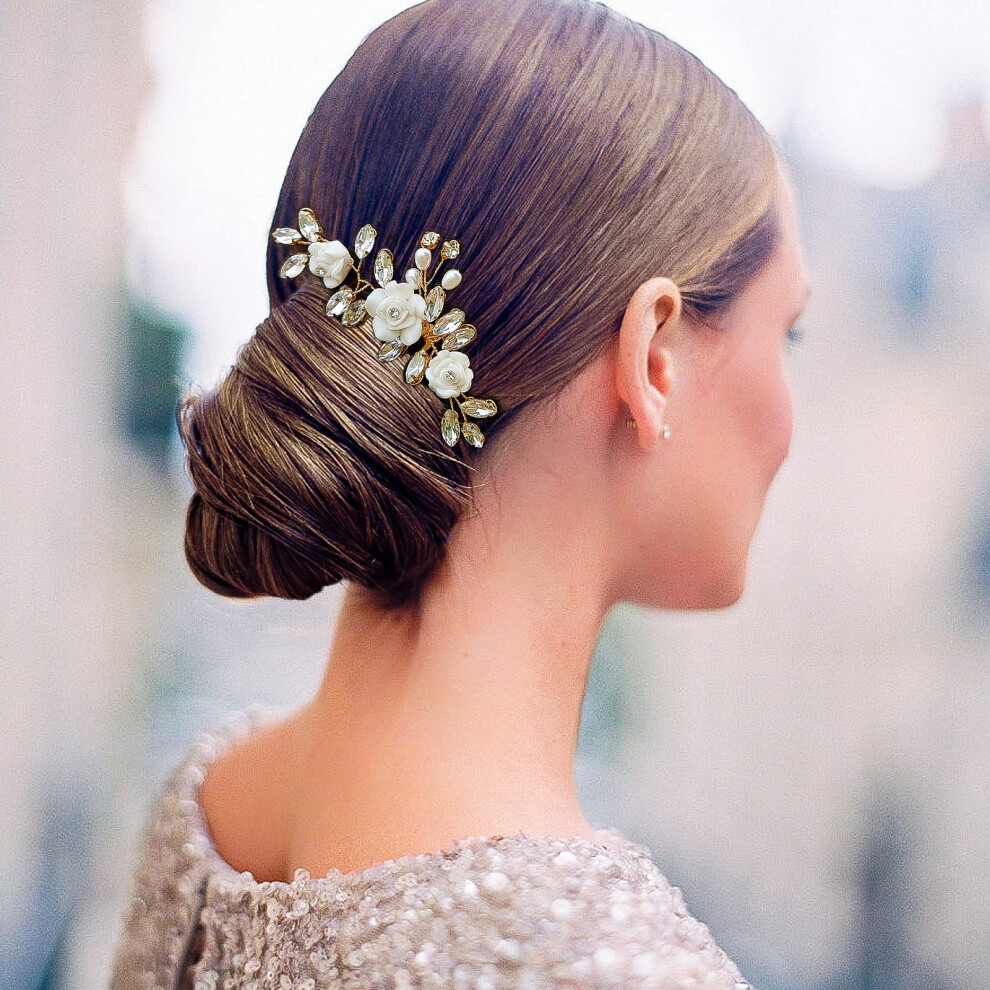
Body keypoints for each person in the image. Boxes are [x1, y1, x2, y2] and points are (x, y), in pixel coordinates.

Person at [109, 0, 811, 985]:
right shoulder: (612, 967)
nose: (790, 415)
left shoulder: (208, 809)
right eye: (791, 334)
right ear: (654, 357)